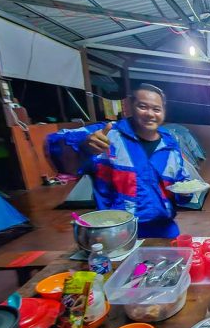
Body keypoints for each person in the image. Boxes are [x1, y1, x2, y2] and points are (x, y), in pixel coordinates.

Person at [51, 83, 196, 238]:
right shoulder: (107, 134)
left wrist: (186, 193)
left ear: (163, 112)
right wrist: (83, 147)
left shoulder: (170, 145)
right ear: (130, 107)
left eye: (156, 109)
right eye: (143, 106)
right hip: (118, 234)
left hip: (164, 231)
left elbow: (181, 184)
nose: (150, 114)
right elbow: (54, 144)